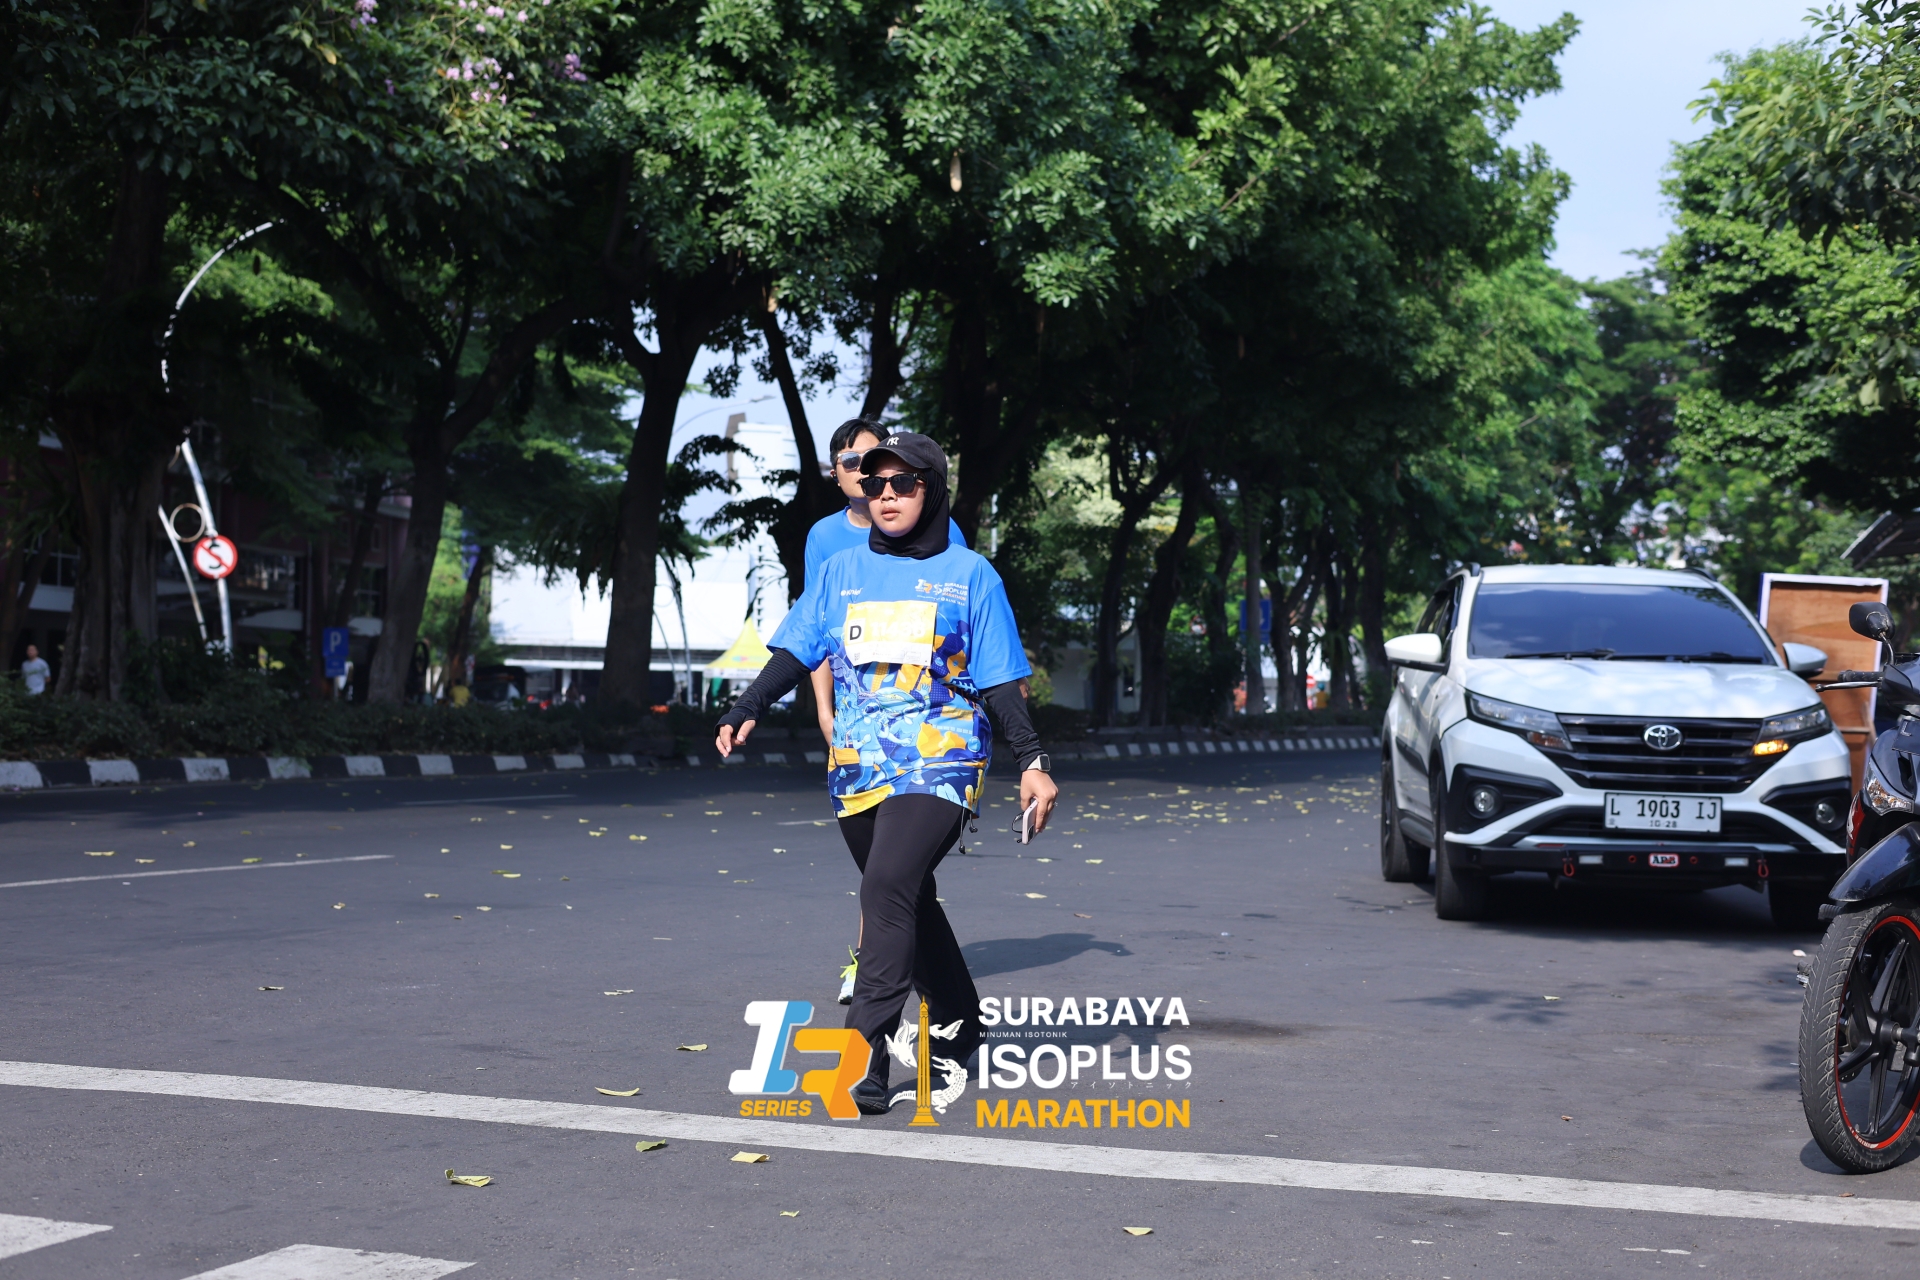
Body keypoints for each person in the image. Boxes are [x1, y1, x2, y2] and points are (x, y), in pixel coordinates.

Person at [717, 432, 1058, 1114]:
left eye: (904, 484)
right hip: (858, 762)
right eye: (874, 485)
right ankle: (960, 1017)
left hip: (942, 758)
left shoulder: (971, 575)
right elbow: (797, 648)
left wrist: (1033, 760)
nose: (887, 496)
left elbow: (1000, 679)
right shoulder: (841, 570)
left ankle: (863, 1061)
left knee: (885, 887)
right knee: (906, 898)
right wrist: (748, 704)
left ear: (932, 490)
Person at [803, 418, 968, 1004]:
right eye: (859, 468)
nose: (879, 485)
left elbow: (963, 622)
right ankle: (955, 1009)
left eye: (894, 475)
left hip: (931, 736)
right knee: (890, 876)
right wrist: (824, 710)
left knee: (890, 877)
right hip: (857, 729)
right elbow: (812, 631)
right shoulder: (826, 541)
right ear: (839, 475)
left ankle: (871, 983)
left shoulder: (950, 545)